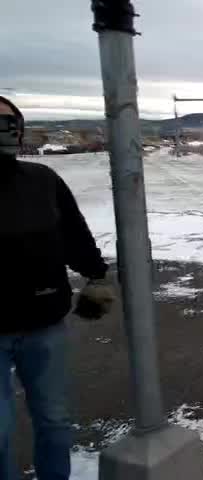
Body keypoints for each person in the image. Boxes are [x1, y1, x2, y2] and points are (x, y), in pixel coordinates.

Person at [0, 95, 115, 479]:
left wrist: (96, 275)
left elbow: (74, 235)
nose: (6, 130)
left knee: (55, 421)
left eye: (10, 122)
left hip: (44, 324)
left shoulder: (42, 180)